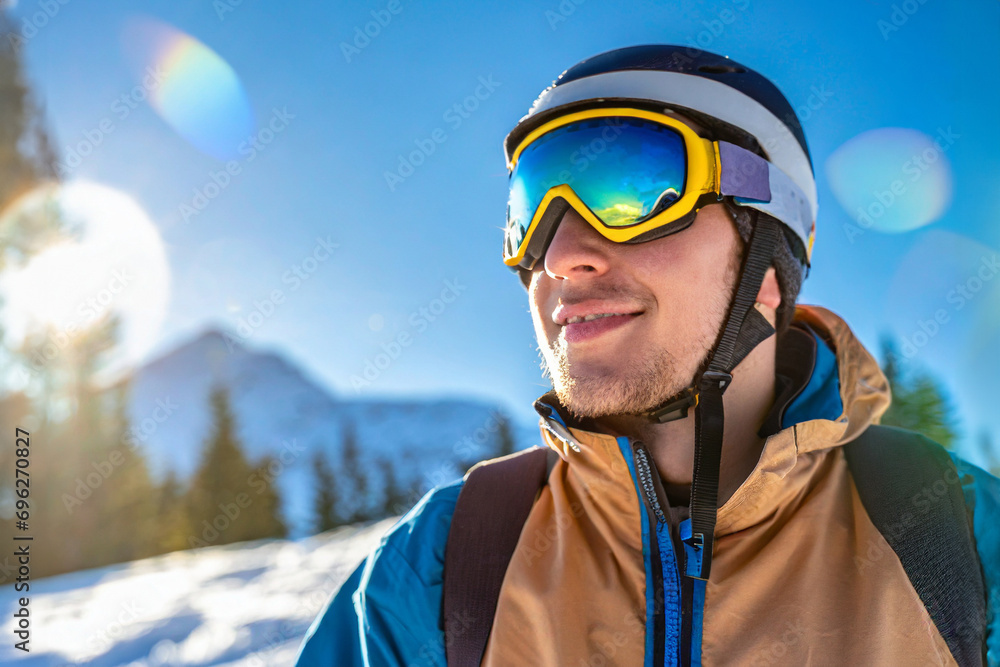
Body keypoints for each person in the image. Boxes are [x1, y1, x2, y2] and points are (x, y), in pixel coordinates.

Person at [296, 45, 999, 666]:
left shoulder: (957, 539)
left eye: (631, 193)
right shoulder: (445, 565)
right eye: (531, 207)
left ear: (770, 263)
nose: (563, 256)